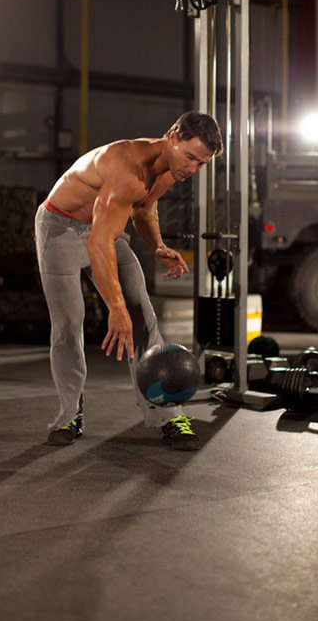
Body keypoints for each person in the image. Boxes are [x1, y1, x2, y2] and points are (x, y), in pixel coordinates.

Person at [34, 110, 223, 451]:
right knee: (68, 323)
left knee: (143, 316)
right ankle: (68, 415)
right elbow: (97, 243)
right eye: (191, 157)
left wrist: (158, 245)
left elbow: (144, 208)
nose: (192, 169)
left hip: (106, 231)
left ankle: (167, 415)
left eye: (201, 164)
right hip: (60, 228)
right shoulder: (127, 168)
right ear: (172, 137)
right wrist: (114, 308)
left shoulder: (169, 171)